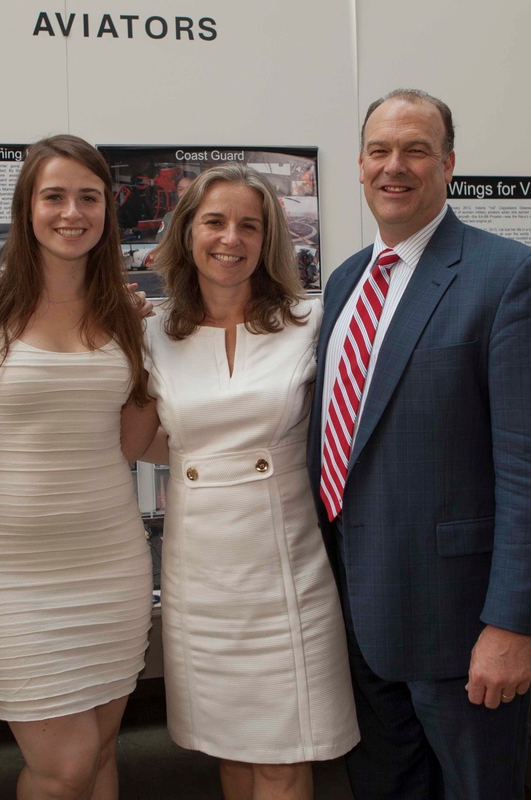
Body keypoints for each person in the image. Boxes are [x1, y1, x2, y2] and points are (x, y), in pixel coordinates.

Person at [306, 89, 531, 799]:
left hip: (457, 626)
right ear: (360, 166)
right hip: (355, 613)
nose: (395, 166)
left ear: (448, 164)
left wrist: (512, 624)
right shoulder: (344, 282)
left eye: (416, 149)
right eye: (379, 150)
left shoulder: (511, 277)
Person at [0, 134, 153, 800]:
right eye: (53, 196)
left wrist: (153, 355)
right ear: (27, 207)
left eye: (88, 197)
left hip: (108, 556)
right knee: (64, 763)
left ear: (107, 209)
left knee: (100, 754)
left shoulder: (126, 312)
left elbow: (134, 441)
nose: (71, 212)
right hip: (7, 565)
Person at [136, 164, 359, 800]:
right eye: (214, 221)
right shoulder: (153, 331)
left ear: (268, 241)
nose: (229, 238)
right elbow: (155, 441)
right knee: (228, 749)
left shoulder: (309, 324)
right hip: (201, 573)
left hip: (287, 565)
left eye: (248, 225)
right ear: (185, 234)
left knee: (286, 758)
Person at [155, 173, 194, 242]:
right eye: (180, 189)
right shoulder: (169, 217)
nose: (184, 193)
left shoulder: (207, 215)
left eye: (189, 188)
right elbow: (160, 244)